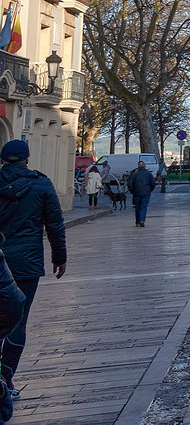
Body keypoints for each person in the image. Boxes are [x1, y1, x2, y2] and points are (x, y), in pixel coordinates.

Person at [0, 140, 63, 419]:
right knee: (18, 322)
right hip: (26, 264)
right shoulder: (41, 184)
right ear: (26, 159)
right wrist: (59, 256)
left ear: (3, 160)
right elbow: (55, 224)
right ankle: (5, 380)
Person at [128, 161, 156, 228]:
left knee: (137, 207)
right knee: (144, 206)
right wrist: (149, 190)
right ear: (145, 166)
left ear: (138, 167)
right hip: (146, 193)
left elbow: (130, 184)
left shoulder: (134, 174)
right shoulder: (149, 174)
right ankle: (142, 220)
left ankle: (137, 222)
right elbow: (153, 183)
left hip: (136, 193)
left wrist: (132, 191)